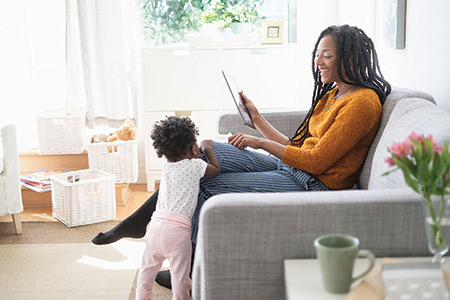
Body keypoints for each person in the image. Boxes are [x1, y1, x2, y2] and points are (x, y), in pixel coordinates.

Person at [93, 24, 391, 288]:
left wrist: (258, 142)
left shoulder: (362, 104)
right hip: (294, 168)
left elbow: (315, 162)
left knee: (206, 184)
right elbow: (296, 145)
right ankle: (143, 219)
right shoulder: (333, 94)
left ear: (350, 58)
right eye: (318, 54)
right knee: (204, 151)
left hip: (314, 183)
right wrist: (256, 117)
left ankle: (190, 269)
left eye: (326, 55)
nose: (318, 61)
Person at [135, 116, 220, 299]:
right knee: (180, 281)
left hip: (155, 226)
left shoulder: (166, 166)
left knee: (146, 273)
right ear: (193, 148)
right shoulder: (196, 165)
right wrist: (207, 147)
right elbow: (216, 170)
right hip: (177, 233)